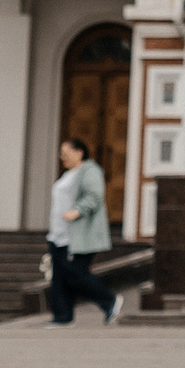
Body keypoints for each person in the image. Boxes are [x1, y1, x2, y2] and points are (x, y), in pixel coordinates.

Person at [44, 136, 118, 326]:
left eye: (66, 154)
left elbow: (94, 196)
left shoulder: (90, 171)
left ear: (79, 152)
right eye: (62, 155)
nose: (63, 158)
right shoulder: (68, 174)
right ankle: (62, 317)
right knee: (60, 276)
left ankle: (109, 300)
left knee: (76, 274)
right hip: (59, 234)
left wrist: (77, 211)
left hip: (79, 235)